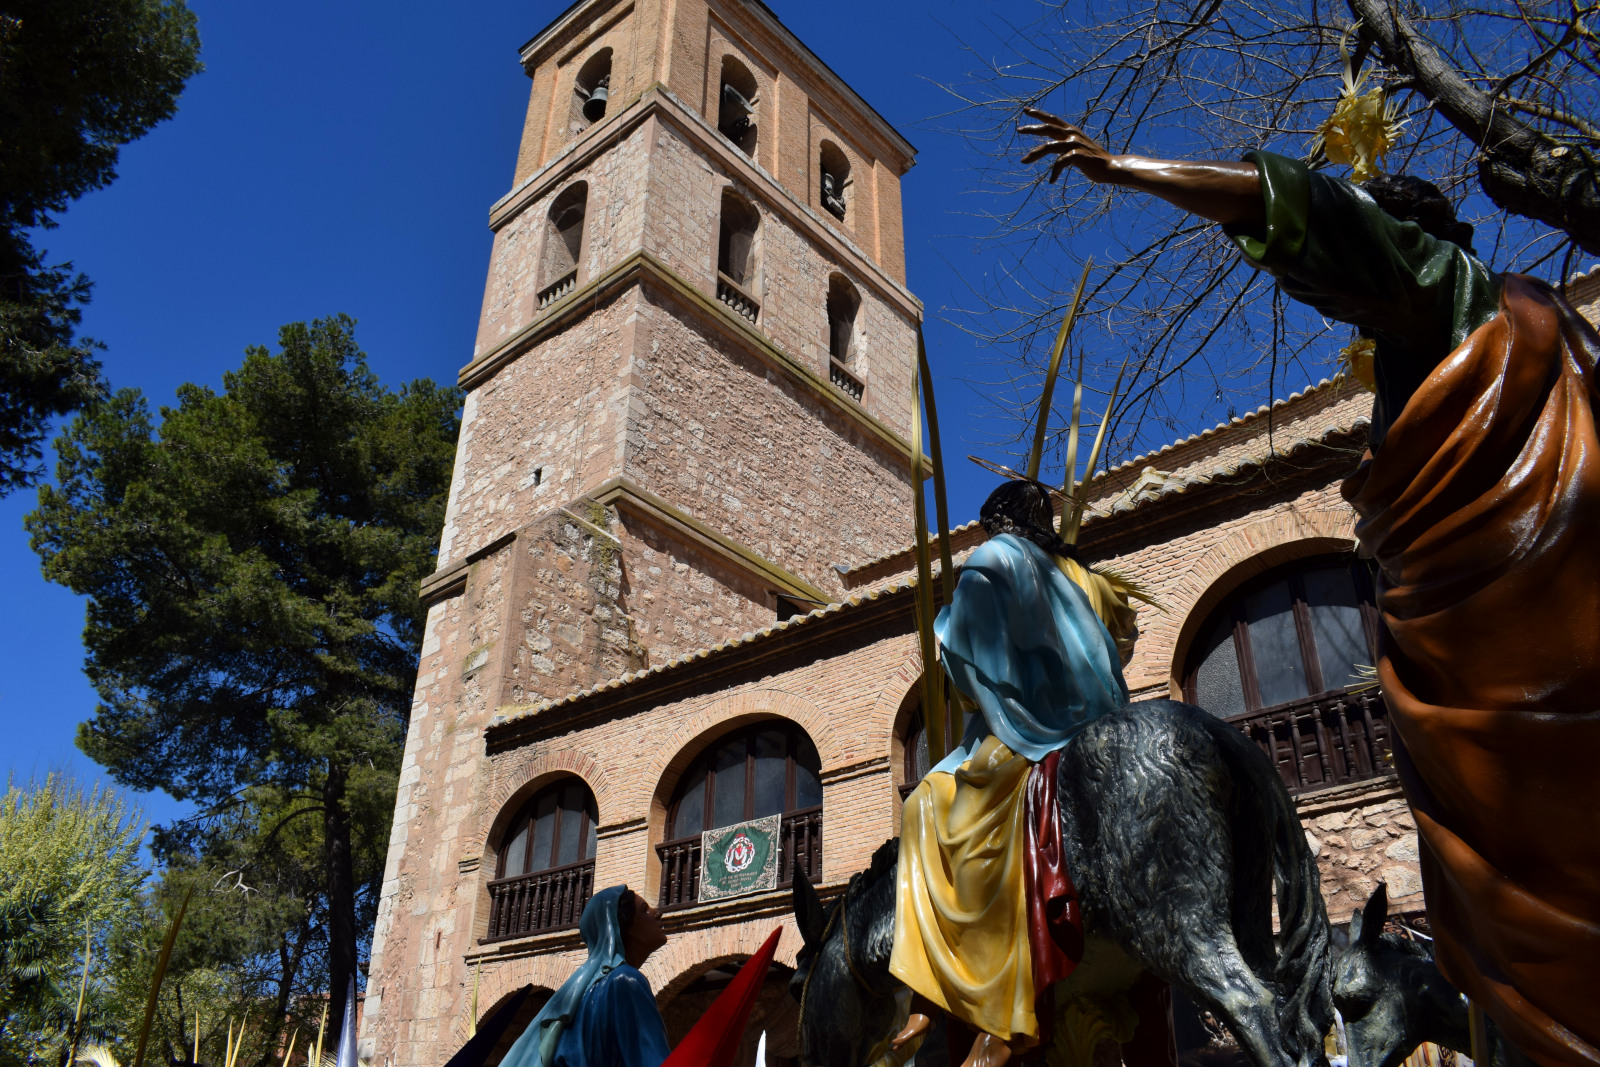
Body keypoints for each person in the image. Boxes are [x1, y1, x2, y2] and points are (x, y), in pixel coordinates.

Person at [1018, 111, 1600, 1067]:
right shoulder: (1547, 329)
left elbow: (1301, 206)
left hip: (1508, 670)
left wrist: (1122, 165)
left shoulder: (1440, 290)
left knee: (952, 807)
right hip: (1509, 639)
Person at [888, 478, 1142, 1067]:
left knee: (927, 803)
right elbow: (1122, 642)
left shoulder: (994, 561)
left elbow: (972, 671)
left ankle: (967, 993)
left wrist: (947, 623)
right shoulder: (1088, 577)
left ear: (996, 523)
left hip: (1034, 731)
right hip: (1105, 724)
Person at [500, 886, 671, 1067]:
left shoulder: (585, 997)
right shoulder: (626, 982)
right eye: (645, 910)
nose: (657, 913)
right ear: (622, 926)